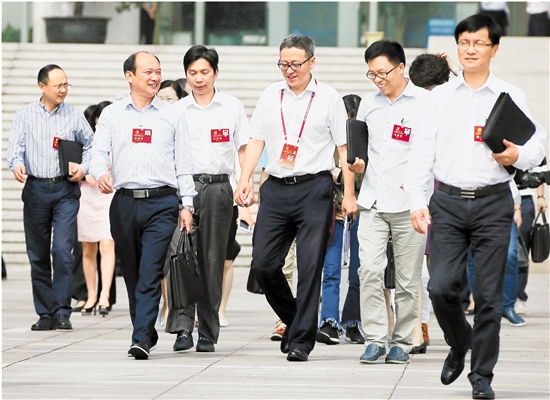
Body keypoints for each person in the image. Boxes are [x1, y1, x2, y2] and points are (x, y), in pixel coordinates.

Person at [404, 14, 547, 399]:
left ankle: (481, 376)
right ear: (457, 46)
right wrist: (416, 201)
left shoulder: (509, 95)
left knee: (488, 296)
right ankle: (459, 342)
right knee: (439, 287)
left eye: (479, 43)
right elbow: (421, 152)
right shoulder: (439, 98)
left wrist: (517, 155)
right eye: (464, 42)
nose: (470, 49)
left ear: (494, 49)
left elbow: (537, 145)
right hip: (447, 204)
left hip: (493, 204)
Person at [235, 34, 357, 362]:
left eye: (295, 64)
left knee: (309, 265)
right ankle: (297, 320)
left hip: (314, 188)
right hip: (275, 188)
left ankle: (301, 340)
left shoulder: (328, 98)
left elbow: (344, 149)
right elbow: (256, 140)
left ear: (312, 62)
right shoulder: (270, 95)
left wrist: (348, 194)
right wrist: (245, 179)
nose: (289, 70)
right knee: (264, 264)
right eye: (283, 64)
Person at [90, 51, 196, 360]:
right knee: (133, 274)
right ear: (130, 76)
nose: (155, 77)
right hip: (124, 203)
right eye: (148, 71)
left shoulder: (172, 114)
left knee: (150, 270)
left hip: (162, 203)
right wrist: (100, 173)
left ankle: (140, 339)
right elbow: (98, 153)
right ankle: (146, 330)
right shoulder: (111, 114)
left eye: (158, 71)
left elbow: (183, 162)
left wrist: (187, 204)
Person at [347, 40, 428, 365]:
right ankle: (375, 339)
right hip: (373, 202)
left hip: (410, 204)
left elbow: (430, 153)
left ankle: (402, 342)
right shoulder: (368, 104)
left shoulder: (424, 103)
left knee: (408, 280)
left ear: (401, 67)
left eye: (383, 73)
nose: (378, 79)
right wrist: (357, 168)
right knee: (368, 271)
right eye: (372, 74)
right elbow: (360, 150)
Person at [165, 45, 249, 353]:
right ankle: (182, 328)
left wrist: (246, 182)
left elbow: (244, 149)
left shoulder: (232, 106)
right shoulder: (176, 111)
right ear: (186, 75)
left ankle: (207, 333)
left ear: (215, 72)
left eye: (204, 72)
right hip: (184, 188)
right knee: (181, 257)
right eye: (192, 73)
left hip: (218, 189)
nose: (199, 78)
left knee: (213, 261)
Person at [7, 64, 93, 331]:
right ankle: (45, 313)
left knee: (63, 251)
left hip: (65, 191)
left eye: (66, 84)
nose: (63, 90)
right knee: (38, 255)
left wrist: (83, 168)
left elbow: (92, 145)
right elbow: (15, 146)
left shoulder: (74, 115)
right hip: (35, 190)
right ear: (42, 87)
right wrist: (17, 164)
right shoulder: (25, 114)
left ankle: (62, 311)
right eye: (58, 85)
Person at [407, 52, 452, 354]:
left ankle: (451, 326)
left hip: (448, 194)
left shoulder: (455, 102)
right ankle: (419, 326)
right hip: (419, 193)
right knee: (419, 271)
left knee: (443, 274)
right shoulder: (416, 105)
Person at [316, 94, 365, 346]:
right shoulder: (327, 144)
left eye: (353, 120)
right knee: (331, 271)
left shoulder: (366, 145)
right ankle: (329, 322)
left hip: (361, 215)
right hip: (332, 215)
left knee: (358, 273)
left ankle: (353, 322)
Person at [78, 101, 116, 317]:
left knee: (107, 244)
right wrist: (85, 174)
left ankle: (104, 295)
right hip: (87, 195)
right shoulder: (87, 139)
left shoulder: (120, 137)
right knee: (88, 247)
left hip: (109, 194)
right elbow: (74, 164)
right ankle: (91, 295)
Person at [156, 80, 186, 327]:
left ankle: (183, 308)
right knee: (165, 257)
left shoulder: (184, 123)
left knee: (181, 256)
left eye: (170, 99)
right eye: (161, 98)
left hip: (186, 197)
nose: (165, 103)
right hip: (164, 197)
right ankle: (168, 305)